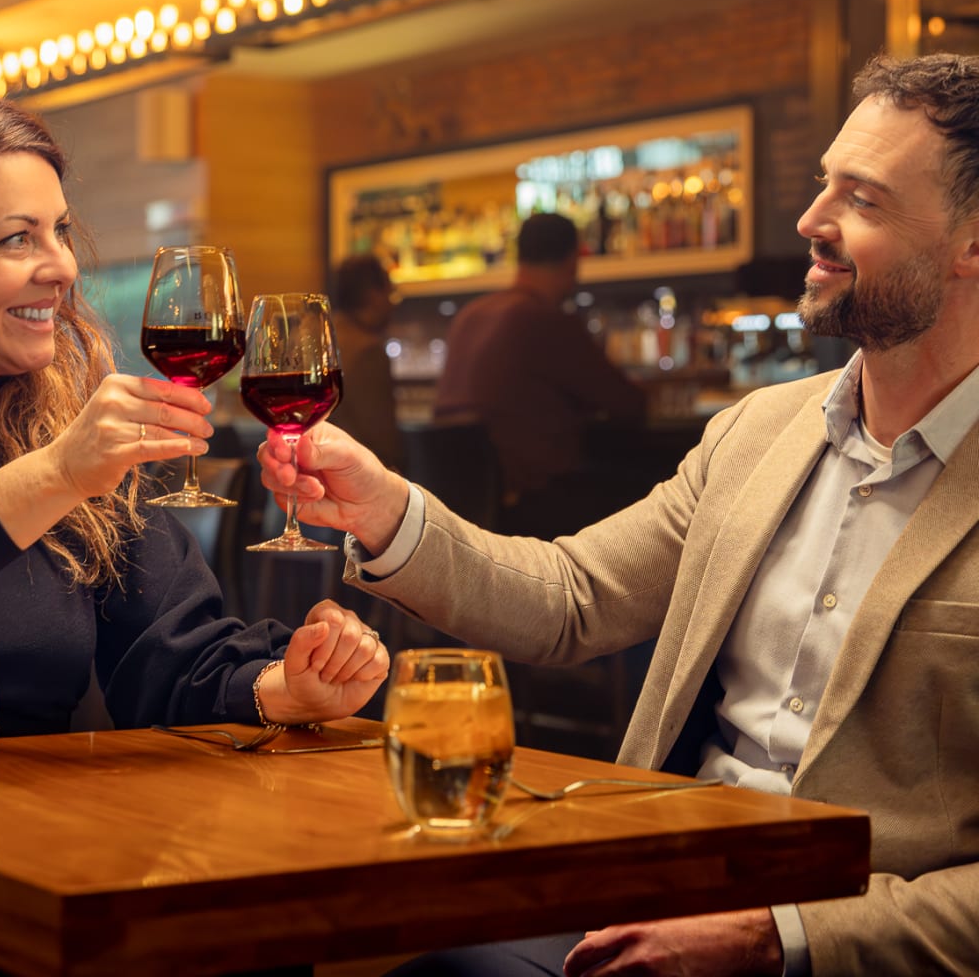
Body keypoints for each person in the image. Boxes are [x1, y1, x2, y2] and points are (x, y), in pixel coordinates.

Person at [257, 51, 979, 976]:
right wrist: (387, 510)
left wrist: (781, 938)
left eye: (865, 199)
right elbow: (571, 597)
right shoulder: (757, 431)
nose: (811, 221)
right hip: (657, 875)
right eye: (823, 184)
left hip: (845, 942)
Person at [0, 86, 388, 977]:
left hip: (41, 862)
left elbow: (175, 651)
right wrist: (54, 476)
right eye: (16, 238)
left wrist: (282, 687)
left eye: (60, 231)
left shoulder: (62, 440)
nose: (60, 266)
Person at [433, 211, 645, 537]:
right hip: (533, 510)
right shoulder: (545, 319)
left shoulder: (469, 315)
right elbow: (628, 403)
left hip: (460, 507)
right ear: (574, 259)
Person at [330, 253, 405, 472]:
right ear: (374, 296)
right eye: (390, 293)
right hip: (351, 484)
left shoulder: (320, 337)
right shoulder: (368, 351)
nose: (392, 305)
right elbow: (383, 446)